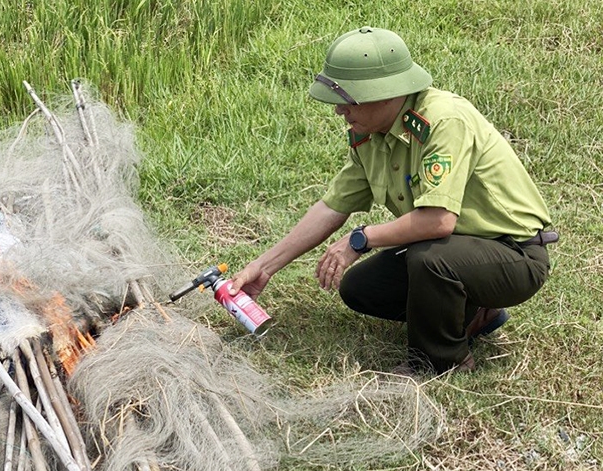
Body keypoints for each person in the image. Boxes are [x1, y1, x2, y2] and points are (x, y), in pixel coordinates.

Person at [229, 26, 556, 375]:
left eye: (349, 100)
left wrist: (362, 238)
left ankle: (440, 360)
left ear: (385, 94)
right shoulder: (369, 135)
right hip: (459, 249)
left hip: (515, 255)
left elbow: (437, 221)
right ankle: (473, 314)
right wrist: (263, 267)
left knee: (429, 260)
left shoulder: (444, 120)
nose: (340, 111)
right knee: (360, 288)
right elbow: (332, 206)